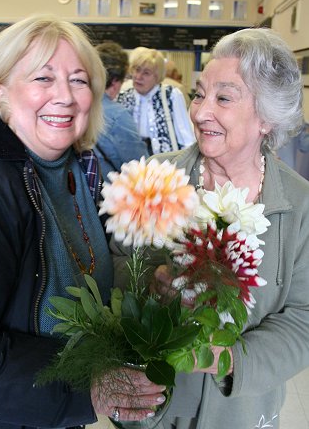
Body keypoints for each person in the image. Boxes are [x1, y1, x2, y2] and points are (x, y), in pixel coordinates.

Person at [0, 15, 166, 429]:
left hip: (44, 412)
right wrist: (87, 389)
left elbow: (79, 271)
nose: (66, 96)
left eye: (78, 80)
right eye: (43, 78)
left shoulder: (75, 169)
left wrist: (148, 285)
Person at [143, 27, 309, 429]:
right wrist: (150, 280)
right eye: (199, 93)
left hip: (241, 410)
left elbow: (304, 316)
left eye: (223, 98)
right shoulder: (157, 177)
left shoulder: (299, 203)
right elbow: (114, 259)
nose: (199, 112)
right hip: (156, 402)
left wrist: (230, 361)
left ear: (266, 118)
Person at [117, 48, 195, 155]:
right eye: (137, 69)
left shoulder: (171, 95)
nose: (138, 77)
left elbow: (186, 138)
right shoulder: (123, 97)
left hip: (165, 164)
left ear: (157, 76)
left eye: (146, 73)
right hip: (131, 163)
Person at [94, 41, 149, 181]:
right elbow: (141, 169)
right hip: (108, 197)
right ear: (115, 81)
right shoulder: (118, 116)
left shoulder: (75, 106)